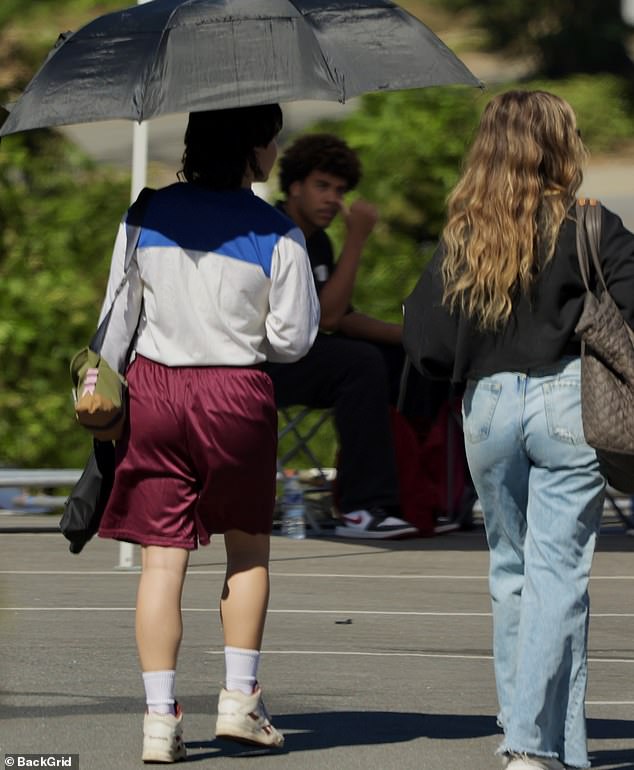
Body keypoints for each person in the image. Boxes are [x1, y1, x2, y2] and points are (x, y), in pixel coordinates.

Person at [403, 90, 634, 770]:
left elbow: (425, 341)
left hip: (489, 409)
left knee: (510, 572)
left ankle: (538, 738)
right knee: (558, 576)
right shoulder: (591, 223)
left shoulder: (466, 233)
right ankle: (531, 747)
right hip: (568, 403)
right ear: (562, 146)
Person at [96, 105, 320, 763]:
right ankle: (239, 702)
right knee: (248, 550)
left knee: (162, 560)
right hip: (235, 395)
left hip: (156, 391)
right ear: (253, 148)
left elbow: (117, 317)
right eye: (272, 138)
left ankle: (160, 720)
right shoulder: (278, 231)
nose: (277, 149)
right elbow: (293, 339)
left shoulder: (144, 214)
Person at [265, 132, 419, 539]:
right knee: (359, 363)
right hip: (260, 364)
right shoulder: (276, 231)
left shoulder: (317, 242)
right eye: (322, 186)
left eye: (340, 190)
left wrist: (410, 337)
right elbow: (329, 317)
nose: (333, 199)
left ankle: (424, 494)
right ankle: (362, 507)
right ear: (294, 186)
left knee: (401, 362)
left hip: (300, 356)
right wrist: (356, 239)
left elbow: (342, 317)